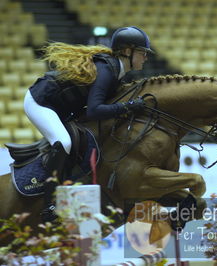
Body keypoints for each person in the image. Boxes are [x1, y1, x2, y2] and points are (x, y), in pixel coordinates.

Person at [23, 26, 154, 222]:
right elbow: (94, 110)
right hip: (41, 101)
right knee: (64, 143)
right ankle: (49, 205)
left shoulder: (117, 71)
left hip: (61, 107)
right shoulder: (107, 70)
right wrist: (129, 106)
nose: (145, 58)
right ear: (127, 51)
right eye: (142, 53)